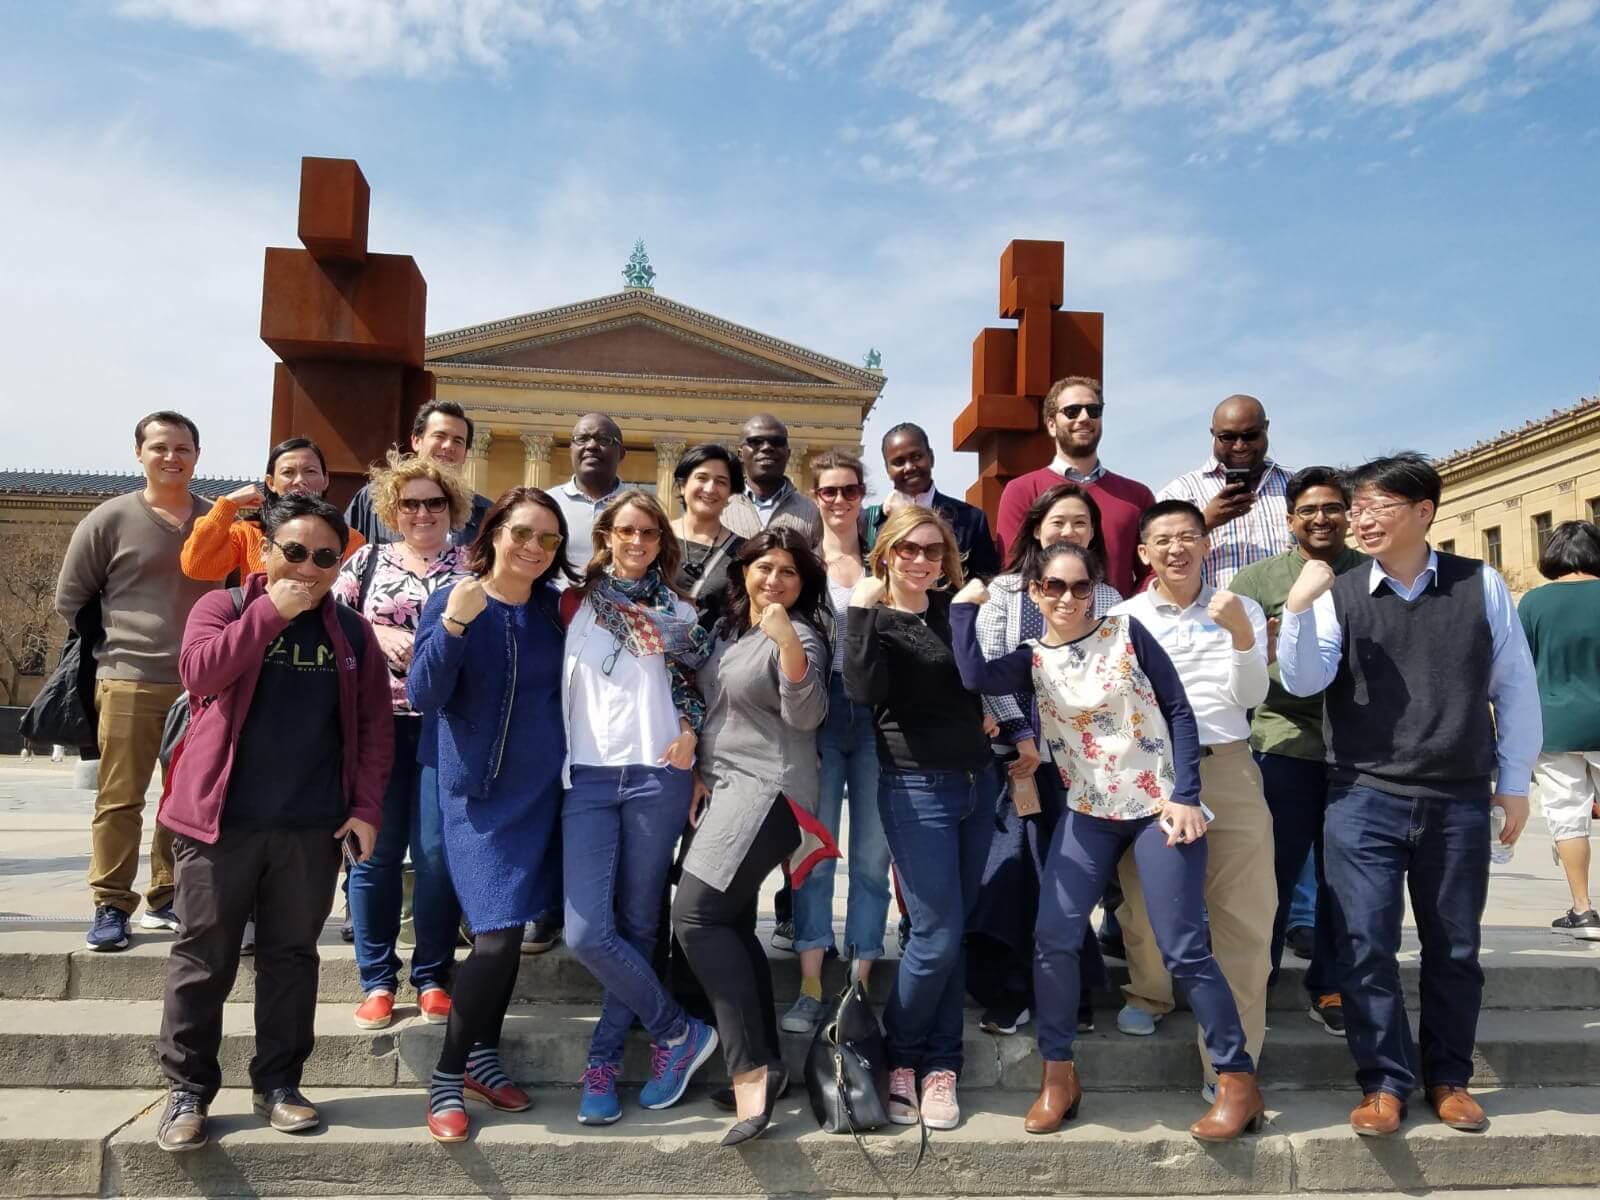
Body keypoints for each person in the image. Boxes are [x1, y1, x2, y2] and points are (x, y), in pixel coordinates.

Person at [949, 543, 1265, 1141]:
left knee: (1183, 947)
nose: (1067, 598)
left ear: (1095, 590)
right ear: (1035, 592)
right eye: (1054, 586)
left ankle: (1237, 1081)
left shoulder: (1127, 633)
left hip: (1158, 804)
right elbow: (974, 677)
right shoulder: (1031, 657)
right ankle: (1058, 1076)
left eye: (1080, 586)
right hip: (1088, 811)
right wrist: (964, 609)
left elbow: (1179, 710)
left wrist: (1187, 793)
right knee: (1053, 939)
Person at [1279, 452, 1542, 1137]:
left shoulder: (1479, 583)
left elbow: (1515, 685)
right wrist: (1299, 609)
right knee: (1365, 944)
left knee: (1453, 947)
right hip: (1362, 794)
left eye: (1377, 508)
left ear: (1423, 512)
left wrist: (1514, 783)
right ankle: (1383, 1083)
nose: (1360, 521)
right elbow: (1304, 682)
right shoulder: (1339, 592)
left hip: (1457, 796)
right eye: (1357, 509)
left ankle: (1449, 1079)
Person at [152, 495, 391, 1152]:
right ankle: (188, 1091)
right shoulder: (223, 608)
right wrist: (269, 614)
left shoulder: (353, 632)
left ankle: (280, 1084)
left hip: (311, 826)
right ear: (264, 551)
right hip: (219, 821)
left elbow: (375, 727)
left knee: (291, 958)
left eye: (325, 557)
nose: (308, 568)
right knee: (203, 957)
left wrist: (365, 808)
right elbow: (200, 672)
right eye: (295, 552)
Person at [407, 487, 580, 1142]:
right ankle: (448, 1076)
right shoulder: (455, 597)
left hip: (541, 791)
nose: (534, 547)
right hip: (477, 796)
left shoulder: (552, 610)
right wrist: (453, 626)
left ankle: (483, 1055)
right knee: (498, 934)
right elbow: (425, 694)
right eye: (523, 533)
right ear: (496, 532)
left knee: (508, 934)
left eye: (548, 538)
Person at [560, 490, 718, 1125]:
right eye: (625, 530)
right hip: (586, 778)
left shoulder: (680, 611)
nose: (635, 541)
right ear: (605, 535)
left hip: (658, 775)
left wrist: (691, 734)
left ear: (661, 542)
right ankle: (678, 1030)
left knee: (638, 925)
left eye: (648, 533)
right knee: (585, 933)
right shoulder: (572, 603)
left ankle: (602, 1062)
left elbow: (699, 684)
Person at [1109, 500, 1274, 1104]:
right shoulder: (1123, 618)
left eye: (1188, 537)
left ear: (1207, 545)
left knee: (1243, 915)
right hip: (1151, 774)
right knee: (1145, 903)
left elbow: (1250, 695)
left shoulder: (1237, 607)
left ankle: (1230, 1064)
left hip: (1226, 765)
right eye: (1163, 540)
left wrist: (1243, 637)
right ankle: (1149, 992)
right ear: (1144, 553)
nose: (1176, 549)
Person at [672, 530, 832, 1146]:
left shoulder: (801, 635)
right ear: (743, 572)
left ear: (802, 583)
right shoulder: (729, 631)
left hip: (770, 789)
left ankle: (750, 1072)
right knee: (731, 924)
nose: (775, 580)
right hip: (724, 787)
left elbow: (807, 713)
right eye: (765, 567)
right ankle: (771, 1065)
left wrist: (787, 639)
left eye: (789, 571)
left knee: (697, 917)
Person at [843, 506, 996, 1131]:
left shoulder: (953, 611)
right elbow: (863, 691)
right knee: (935, 934)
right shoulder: (874, 619)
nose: (920, 560)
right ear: (885, 554)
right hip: (915, 788)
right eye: (907, 548)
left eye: (932, 550)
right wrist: (858, 612)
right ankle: (901, 1058)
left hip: (977, 784)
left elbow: (977, 681)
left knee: (951, 932)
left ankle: (942, 1065)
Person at [56, 411, 218, 951]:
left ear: (197, 455)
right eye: (160, 447)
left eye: (183, 448)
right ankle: (110, 903)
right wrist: (115, 645)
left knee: (185, 800)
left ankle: (167, 897)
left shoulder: (217, 521)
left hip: (202, 684)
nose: (172, 457)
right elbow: (71, 598)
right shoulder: (109, 519)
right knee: (120, 798)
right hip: (129, 679)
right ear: (139, 453)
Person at [968, 482, 1120, 1036]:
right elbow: (989, 668)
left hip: (1081, 763)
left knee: (1067, 874)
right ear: (1036, 528)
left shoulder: (1108, 599)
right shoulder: (1003, 592)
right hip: (1014, 759)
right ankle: (1012, 988)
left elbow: (1112, 677)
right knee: (1015, 871)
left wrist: (1062, 738)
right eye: (1058, 521)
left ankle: (1070, 988)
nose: (1069, 531)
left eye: (1081, 523)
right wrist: (1022, 734)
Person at [333, 451, 473, 1032]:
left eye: (434, 502)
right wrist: (377, 631)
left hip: (447, 726)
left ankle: (434, 975)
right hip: (379, 723)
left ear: (451, 507)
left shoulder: (472, 566)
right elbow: (329, 618)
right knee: (375, 852)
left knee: (437, 854)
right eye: (410, 503)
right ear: (393, 509)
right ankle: (377, 980)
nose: (423, 513)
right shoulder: (366, 561)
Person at [1230, 467, 1369, 1037]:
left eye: (1332, 507)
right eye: (1308, 510)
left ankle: (1330, 983)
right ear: (1290, 520)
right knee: (1273, 872)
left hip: (1357, 748)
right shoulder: (1258, 579)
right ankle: (1256, 975)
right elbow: (1234, 657)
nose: (1321, 518)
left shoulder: (1371, 574)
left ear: (1349, 515)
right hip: (1281, 741)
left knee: (1343, 876)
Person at [780, 450, 892, 1036]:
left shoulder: (885, 558)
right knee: (814, 852)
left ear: (861, 494)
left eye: (850, 490)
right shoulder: (801, 563)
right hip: (818, 716)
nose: (840, 500)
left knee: (872, 859)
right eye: (829, 491)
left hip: (875, 718)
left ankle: (859, 983)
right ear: (815, 496)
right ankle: (810, 983)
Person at [995, 376, 1155, 598]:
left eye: (1093, 410)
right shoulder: (1021, 491)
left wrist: (1127, 610)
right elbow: (1013, 571)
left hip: (1117, 618)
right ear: (1051, 424)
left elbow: (1153, 570)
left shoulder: (1137, 496)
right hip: (1043, 617)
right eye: (1072, 411)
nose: (1084, 418)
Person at [1518, 521, 1600, 938]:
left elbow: (1517, 669)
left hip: (1554, 725)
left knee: (1568, 817)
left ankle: (1583, 910)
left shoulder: (1534, 603)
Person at [1156, 394, 1293, 589]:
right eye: (1228, 437)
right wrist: (1205, 522)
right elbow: (1156, 558)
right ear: (1213, 434)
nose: (1240, 446)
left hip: (1289, 607)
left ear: (1266, 428)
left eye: (1250, 435)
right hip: (1213, 607)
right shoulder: (1181, 493)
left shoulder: (1295, 487)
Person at [180, 438, 366, 580]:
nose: (300, 480)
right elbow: (196, 566)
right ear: (271, 483)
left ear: (325, 480)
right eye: (288, 472)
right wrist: (227, 505)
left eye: (310, 471)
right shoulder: (249, 532)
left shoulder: (350, 539)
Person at [344, 400, 492, 547]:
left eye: (458, 441)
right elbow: (344, 554)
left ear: (465, 454)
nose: (448, 445)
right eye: (439, 436)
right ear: (416, 441)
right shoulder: (371, 500)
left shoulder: (487, 514)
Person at [865, 422, 1000, 581]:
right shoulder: (870, 523)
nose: (909, 467)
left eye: (917, 457)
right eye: (899, 462)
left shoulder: (970, 520)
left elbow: (985, 584)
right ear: (888, 469)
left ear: (931, 458)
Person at [670, 443, 747, 629]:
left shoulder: (743, 552)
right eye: (702, 478)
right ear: (682, 486)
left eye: (721, 482)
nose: (710, 488)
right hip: (652, 645)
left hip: (715, 647)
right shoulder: (655, 538)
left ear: (729, 494)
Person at [722, 413, 823, 547]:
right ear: (740, 454)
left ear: (788, 454)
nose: (766, 447)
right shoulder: (720, 507)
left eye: (776, 442)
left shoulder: (811, 512)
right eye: (756, 441)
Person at [552, 412, 628, 578]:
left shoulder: (639, 507)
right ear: (571, 450)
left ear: (621, 453)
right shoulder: (548, 503)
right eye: (582, 439)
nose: (592, 445)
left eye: (604, 439)